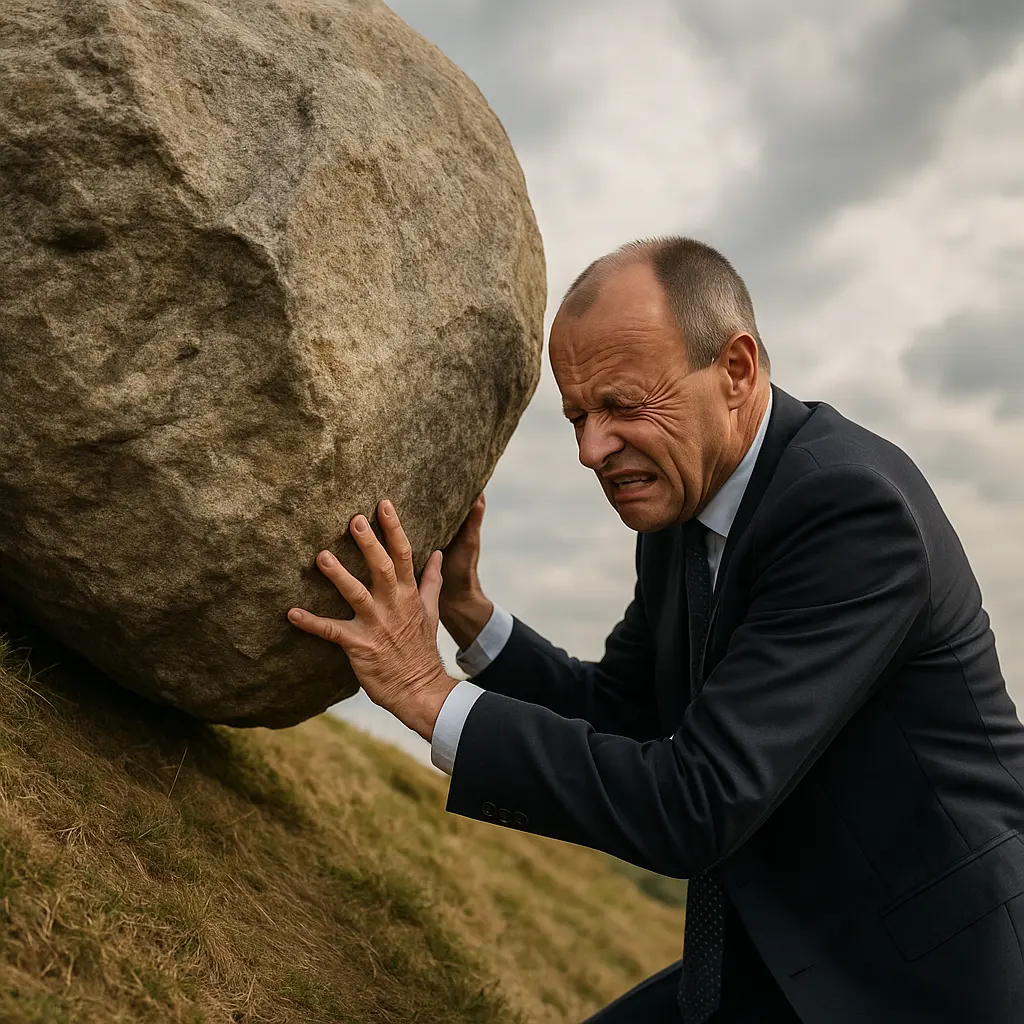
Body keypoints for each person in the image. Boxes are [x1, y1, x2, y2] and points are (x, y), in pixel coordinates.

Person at [287, 237, 1024, 1023]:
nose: (588, 450)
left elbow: (697, 803)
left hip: (920, 982)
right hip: (777, 956)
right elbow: (630, 712)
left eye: (622, 406)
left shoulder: (849, 511)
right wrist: (468, 612)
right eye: (577, 415)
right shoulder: (681, 509)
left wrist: (426, 695)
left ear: (735, 372)